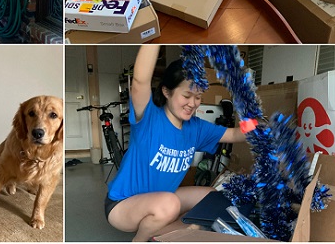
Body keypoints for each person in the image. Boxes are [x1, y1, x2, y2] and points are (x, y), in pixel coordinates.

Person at [105, 45, 246, 241]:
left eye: (198, 97)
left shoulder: (195, 127)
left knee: (211, 197)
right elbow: (139, 81)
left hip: (162, 198)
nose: (193, 103)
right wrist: (152, 37)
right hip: (123, 205)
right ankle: (140, 240)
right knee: (170, 203)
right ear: (166, 91)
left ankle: (165, 233)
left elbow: (233, 135)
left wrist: (259, 127)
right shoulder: (149, 118)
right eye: (187, 96)